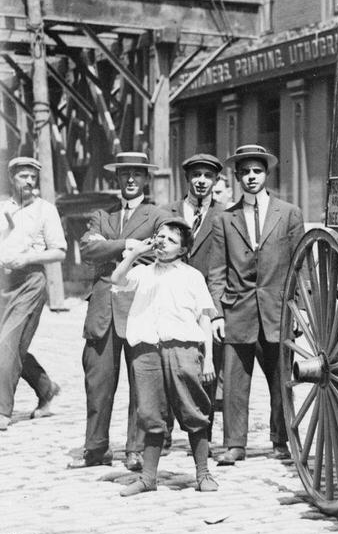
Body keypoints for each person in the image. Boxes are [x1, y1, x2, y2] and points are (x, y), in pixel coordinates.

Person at [71, 151, 169, 470]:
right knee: (97, 378)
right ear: (117, 178)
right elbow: (87, 248)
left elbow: (159, 249)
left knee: (141, 379)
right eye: (125, 174)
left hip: (140, 305)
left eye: (137, 174)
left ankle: (135, 449)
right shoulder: (103, 214)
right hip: (102, 309)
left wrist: (110, 246)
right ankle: (96, 446)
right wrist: (129, 246)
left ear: (145, 179)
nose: (130, 179)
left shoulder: (157, 214)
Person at [110, 219, 219, 496]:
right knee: (149, 413)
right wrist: (135, 253)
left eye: (170, 240)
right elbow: (117, 279)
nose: (162, 243)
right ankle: (148, 478)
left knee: (193, 410)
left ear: (183, 249)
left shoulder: (192, 276)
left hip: (182, 349)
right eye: (159, 237)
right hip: (146, 350)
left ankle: (203, 473)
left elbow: (205, 318)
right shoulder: (143, 273)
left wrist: (207, 360)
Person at [210, 144, 303, 465]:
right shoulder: (225, 219)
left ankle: (281, 440)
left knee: (281, 380)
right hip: (238, 311)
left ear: (266, 174)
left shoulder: (289, 213)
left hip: (277, 309)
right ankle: (235, 444)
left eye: (257, 171)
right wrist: (216, 315)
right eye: (245, 172)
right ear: (236, 177)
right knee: (235, 382)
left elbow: (299, 266)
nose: (251, 177)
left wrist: (299, 312)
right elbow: (217, 271)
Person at [0, 157, 66, 431]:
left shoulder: (45, 210)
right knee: (12, 347)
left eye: (33, 177)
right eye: (24, 176)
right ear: (12, 178)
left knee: (7, 347)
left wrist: (29, 258)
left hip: (31, 283)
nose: (29, 181)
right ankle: (46, 388)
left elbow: (59, 251)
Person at [168, 154, 228, 420]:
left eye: (207, 176)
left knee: (207, 367)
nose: (201, 181)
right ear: (188, 179)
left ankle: (203, 432)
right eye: (196, 175)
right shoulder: (168, 212)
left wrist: (216, 312)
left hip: (206, 302)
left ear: (215, 181)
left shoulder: (224, 215)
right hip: (172, 299)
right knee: (169, 364)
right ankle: (165, 434)